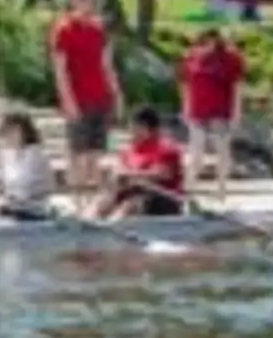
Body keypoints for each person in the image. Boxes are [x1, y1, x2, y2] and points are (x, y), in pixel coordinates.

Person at [50, 0, 120, 194]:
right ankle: (77, 200)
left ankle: (93, 200)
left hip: (101, 97)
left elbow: (107, 65)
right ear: (73, 0)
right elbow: (60, 70)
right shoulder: (64, 29)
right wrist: (68, 101)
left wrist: (117, 94)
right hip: (79, 98)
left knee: (96, 153)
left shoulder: (99, 30)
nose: (87, 2)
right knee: (77, 153)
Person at [178, 27, 246, 200]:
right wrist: (185, 107)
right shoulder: (191, 58)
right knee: (196, 149)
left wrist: (237, 111)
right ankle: (190, 187)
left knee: (221, 149)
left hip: (220, 111)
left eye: (210, 42)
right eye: (203, 42)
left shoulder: (230, 59)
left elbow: (237, 86)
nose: (206, 46)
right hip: (198, 110)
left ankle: (222, 187)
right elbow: (186, 85)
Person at [98, 109, 185, 220]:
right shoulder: (129, 150)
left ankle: (112, 227)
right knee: (105, 199)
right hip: (135, 193)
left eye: (133, 127)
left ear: (145, 128)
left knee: (131, 204)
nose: (130, 131)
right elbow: (120, 170)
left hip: (163, 198)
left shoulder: (166, 148)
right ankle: (86, 224)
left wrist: (131, 175)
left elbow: (163, 174)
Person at [0, 113, 54, 219]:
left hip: (34, 206)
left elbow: (43, 185)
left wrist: (22, 197)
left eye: (14, 132)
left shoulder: (36, 154)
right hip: (13, 204)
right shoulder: (5, 155)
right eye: (7, 132)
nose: (10, 136)